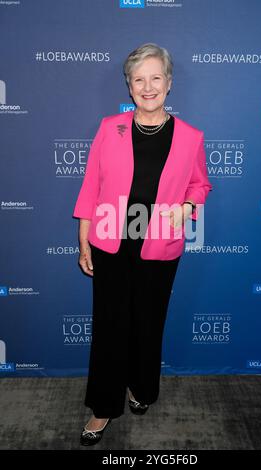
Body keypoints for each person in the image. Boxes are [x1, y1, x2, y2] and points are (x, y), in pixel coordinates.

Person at [73, 43, 213, 446]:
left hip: (159, 244)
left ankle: (141, 388)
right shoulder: (108, 127)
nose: (147, 86)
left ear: (169, 84)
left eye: (156, 78)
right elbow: (91, 186)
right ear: (129, 86)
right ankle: (103, 407)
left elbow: (200, 184)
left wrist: (187, 206)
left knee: (148, 323)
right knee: (110, 326)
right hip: (111, 240)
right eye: (139, 79)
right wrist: (84, 240)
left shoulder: (190, 137)